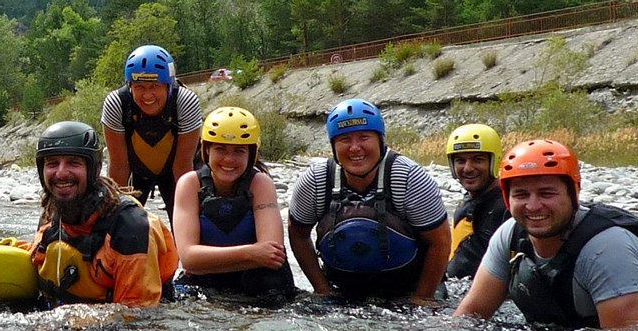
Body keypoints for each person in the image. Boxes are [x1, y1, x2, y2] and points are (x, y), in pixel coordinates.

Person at [453, 139, 638, 331]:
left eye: (546, 193)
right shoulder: (509, 235)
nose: (533, 206)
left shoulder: (607, 248)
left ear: (574, 192)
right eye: (521, 194)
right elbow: (468, 317)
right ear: (506, 198)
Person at [286, 99, 451, 304]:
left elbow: (440, 242)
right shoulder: (316, 180)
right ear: (333, 146)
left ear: (380, 140)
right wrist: (322, 288)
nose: (355, 148)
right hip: (342, 287)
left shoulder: (409, 177)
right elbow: (298, 234)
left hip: (411, 286)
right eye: (345, 139)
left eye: (364, 137)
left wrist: (422, 297)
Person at [11, 120, 177, 308]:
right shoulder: (53, 212)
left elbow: (137, 319)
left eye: (73, 163)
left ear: (95, 169)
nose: (61, 173)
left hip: (119, 330)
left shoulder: (130, 228)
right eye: (52, 163)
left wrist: (77, 324)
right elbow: (37, 255)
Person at [170, 106, 294, 300]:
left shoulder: (260, 183)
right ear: (207, 150)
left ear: (251, 154)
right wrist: (252, 253)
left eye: (239, 151)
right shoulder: (190, 184)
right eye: (220, 149)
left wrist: (205, 262)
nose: (229, 159)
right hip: (211, 279)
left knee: (272, 286)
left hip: (256, 278)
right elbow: (188, 257)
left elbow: (272, 254)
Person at [101, 45, 203, 218]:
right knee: (124, 225)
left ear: (168, 85)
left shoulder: (186, 101)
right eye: (140, 86)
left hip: (176, 170)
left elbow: (183, 165)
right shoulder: (116, 103)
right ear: (130, 85)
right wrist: (116, 214)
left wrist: (188, 213)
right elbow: (119, 165)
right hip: (135, 170)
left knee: (187, 222)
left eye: (154, 86)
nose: (147, 95)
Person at [445, 123, 509, 280]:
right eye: (460, 161)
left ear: (494, 162)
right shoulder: (469, 202)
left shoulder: (507, 207)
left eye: (478, 160)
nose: (467, 168)